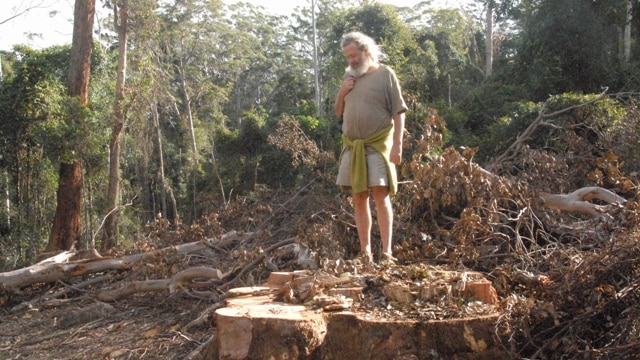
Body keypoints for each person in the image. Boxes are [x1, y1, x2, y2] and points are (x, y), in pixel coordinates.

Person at [335, 31, 407, 264]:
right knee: (358, 197)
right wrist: (343, 91)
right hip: (352, 146)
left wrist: (397, 145)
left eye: (354, 55)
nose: (352, 60)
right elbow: (339, 113)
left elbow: (398, 112)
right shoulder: (349, 78)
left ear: (366, 51)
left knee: (380, 194)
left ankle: (387, 252)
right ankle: (365, 253)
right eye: (348, 57)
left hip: (377, 144)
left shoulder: (386, 74)